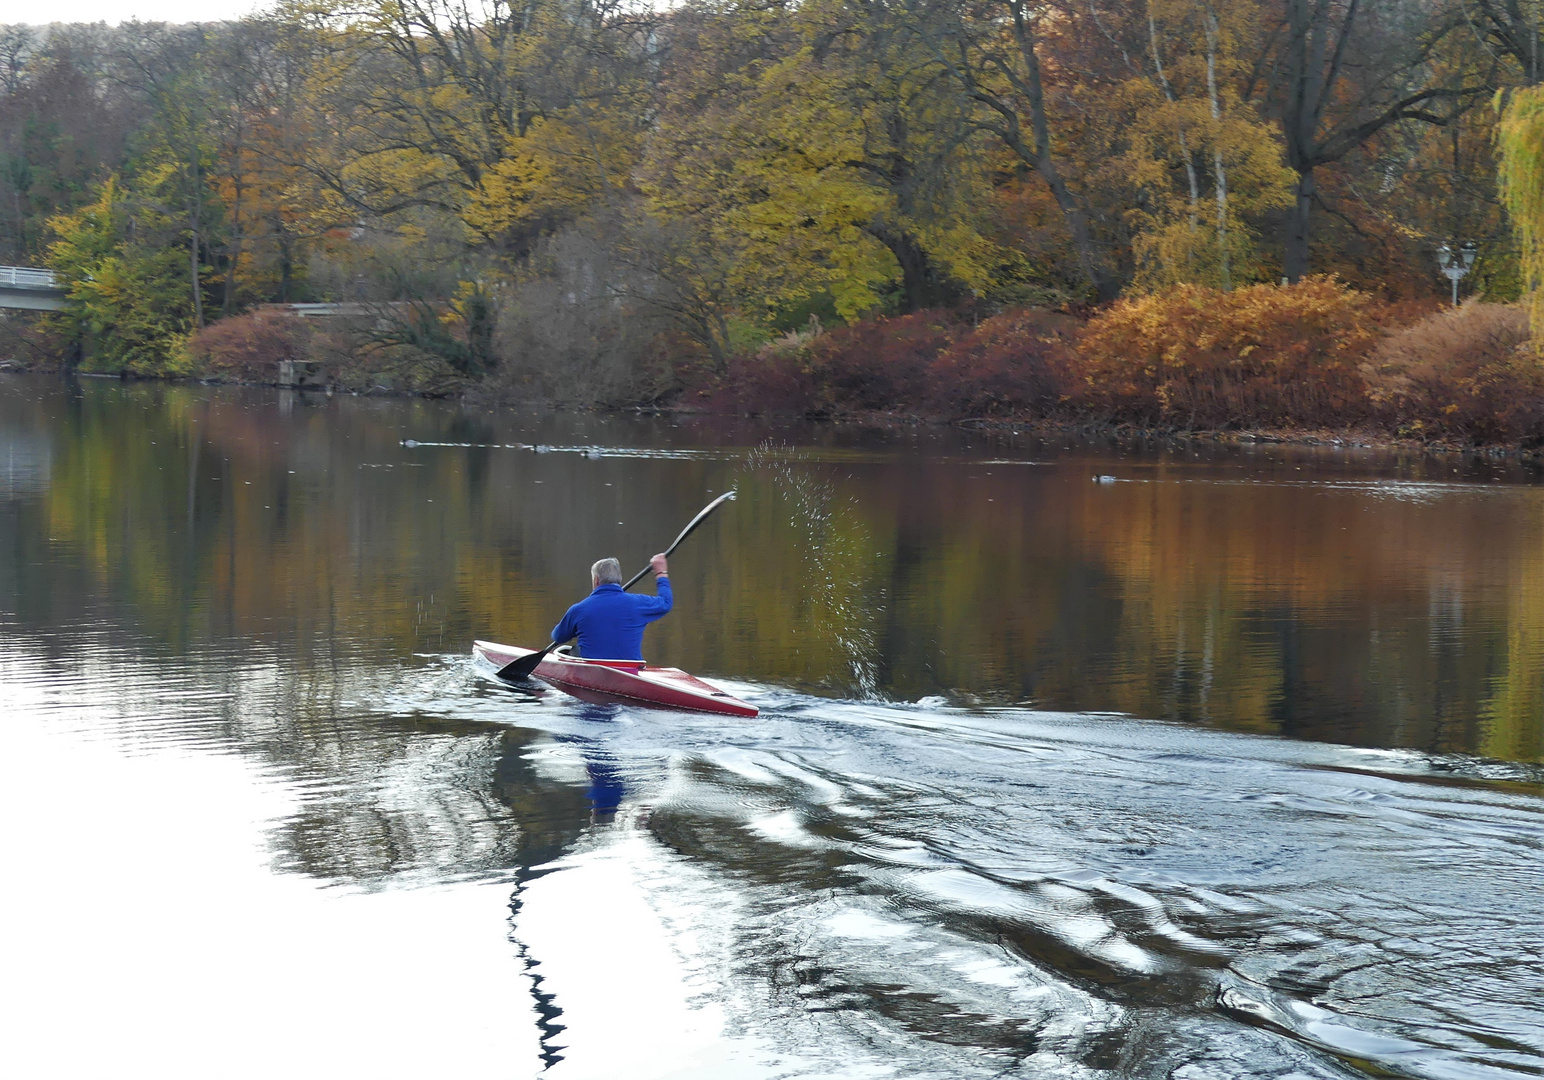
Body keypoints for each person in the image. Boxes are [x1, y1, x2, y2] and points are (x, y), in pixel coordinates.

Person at [550, 554, 672, 661]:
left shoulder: (579, 609)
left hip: (592, 670)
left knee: (572, 651)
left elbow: (558, 637)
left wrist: (578, 627)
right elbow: (666, 603)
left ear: (596, 580)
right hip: (631, 670)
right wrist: (661, 573)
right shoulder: (639, 604)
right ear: (619, 579)